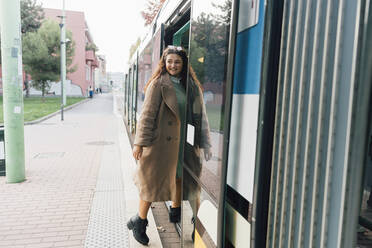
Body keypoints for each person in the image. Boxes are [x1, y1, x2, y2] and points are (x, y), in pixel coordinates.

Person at [127, 46, 212, 245]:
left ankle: (196, 224)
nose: (173, 65)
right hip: (160, 146)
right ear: (164, 63)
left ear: (184, 64)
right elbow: (147, 116)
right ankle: (139, 221)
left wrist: (206, 143)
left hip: (185, 145)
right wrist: (139, 143)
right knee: (150, 185)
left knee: (190, 184)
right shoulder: (158, 84)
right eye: (169, 61)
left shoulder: (191, 86)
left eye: (177, 62)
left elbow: (201, 117)